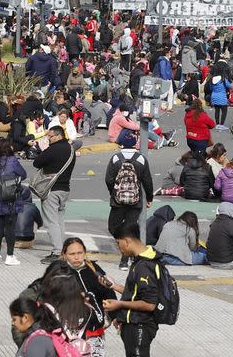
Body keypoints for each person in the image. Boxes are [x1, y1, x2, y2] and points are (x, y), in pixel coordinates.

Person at [103, 223, 160, 357]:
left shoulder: (144, 266)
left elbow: (149, 304)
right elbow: (136, 294)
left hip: (140, 325)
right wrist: (114, 286)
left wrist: (119, 304)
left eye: (118, 243)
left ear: (127, 241)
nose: (119, 248)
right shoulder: (143, 260)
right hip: (134, 322)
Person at [60, 237, 116, 356]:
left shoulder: (94, 269)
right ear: (64, 255)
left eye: (80, 253)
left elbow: (109, 293)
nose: (76, 257)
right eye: (72, 254)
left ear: (85, 253)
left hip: (95, 330)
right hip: (70, 330)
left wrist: (115, 316)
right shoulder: (60, 272)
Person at [105, 143, 153, 269]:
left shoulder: (115, 158)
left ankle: (125, 253)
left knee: (112, 226)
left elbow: (109, 179)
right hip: (135, 201)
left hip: (117, 201)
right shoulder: (141, 159)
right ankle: (127, 259)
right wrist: (149, 198)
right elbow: (147, 180)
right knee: (130, 228)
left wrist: (114, 193)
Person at [33, 125, 76, 264]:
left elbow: (37, 162)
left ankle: (57, 252)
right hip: (65, 189)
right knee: (59, 221)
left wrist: (44, 150)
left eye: (50, 136)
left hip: (52, 190)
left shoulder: (53, 149)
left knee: (51, 222)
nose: (48, 139)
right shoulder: (70, 149)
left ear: (58, 135)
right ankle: (62, 249)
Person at [0, 139, 27, 266]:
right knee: (10, 228)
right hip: (11, 197)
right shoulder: (12, 161)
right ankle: (10, 256)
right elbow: (23, 174)